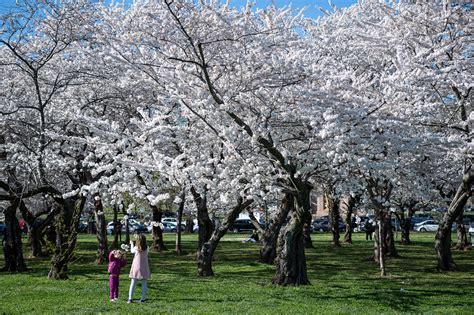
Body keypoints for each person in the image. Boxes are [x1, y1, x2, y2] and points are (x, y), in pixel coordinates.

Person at [128, 234, 150, 303]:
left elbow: (131, 251)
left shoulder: (136, 248)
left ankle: (130, 299)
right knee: (144, 283)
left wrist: (131, 243)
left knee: (133, 283)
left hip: (136, 267)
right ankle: (142, 299)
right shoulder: (147, 248)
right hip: (144, 267)